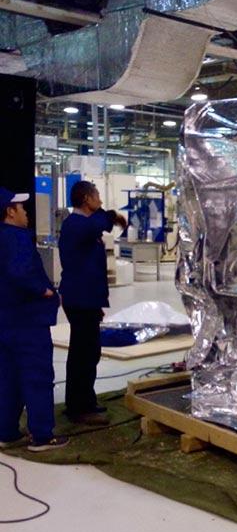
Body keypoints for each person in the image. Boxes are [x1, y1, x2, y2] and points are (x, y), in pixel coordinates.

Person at [0, 187, 68, 452]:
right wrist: (45, 291)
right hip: (27, 322)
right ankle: (41, 436)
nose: (26, 213)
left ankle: (6, 431)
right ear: (10, 211)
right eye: (22, 208)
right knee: (36, 375)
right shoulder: (16, 238)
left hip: (6, 320)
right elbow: (20, 272)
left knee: (9, 378)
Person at [58, 181, 127, 425]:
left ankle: (84, 401)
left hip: (86, 299)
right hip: (79, 299)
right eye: (97, 195)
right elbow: (99, 223)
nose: (100, 199)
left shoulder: (84, 226)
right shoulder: (77, 225)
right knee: (83, 354)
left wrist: (96, 305)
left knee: (88, 351)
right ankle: (79, 408)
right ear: (86, 199)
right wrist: (112, 215)